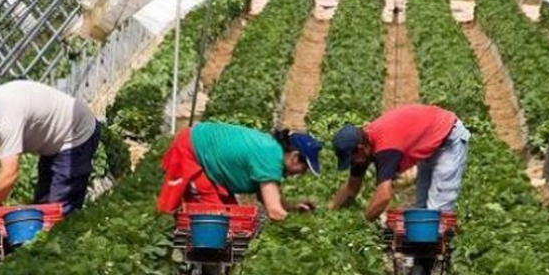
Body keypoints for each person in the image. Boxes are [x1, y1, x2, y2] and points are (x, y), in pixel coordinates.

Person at [0, 80, 102, 215]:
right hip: (53, 144)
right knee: (43, 207)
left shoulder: (7, 114)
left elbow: (9, 175)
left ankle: (68, 237)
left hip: (75, 135)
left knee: (57, 211)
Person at [329, 104, 470, 222]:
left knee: (437, 211)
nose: (353, 163)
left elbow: (383, 197)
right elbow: (351, 189)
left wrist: (362, 223)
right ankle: (427, 241)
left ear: (360, 149)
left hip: (448, 136)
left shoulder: (386, 149)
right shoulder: (363, 147)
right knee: (422, 208)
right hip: (430, 139)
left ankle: (436, 245)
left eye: (351, 159)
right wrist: (329, 213)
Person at [156, 121, 322, 221]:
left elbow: (266, 197)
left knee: (232, 218)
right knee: (214, 220)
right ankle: (190, 264)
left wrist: (292, 208)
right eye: (304, 168)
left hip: (206, 156)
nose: (302, 173)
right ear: (294, 157)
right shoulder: (270, 158)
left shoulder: (272, 151)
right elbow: (273, 211)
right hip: (191, 152)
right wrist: (303, 229)